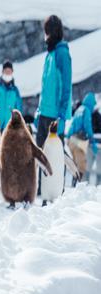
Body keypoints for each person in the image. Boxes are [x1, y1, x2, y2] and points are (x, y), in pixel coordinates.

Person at [36, 15, 72, 148]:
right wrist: (39, 111)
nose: (45, 36)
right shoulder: (50, 55)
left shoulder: (62, 54)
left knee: (53, 163)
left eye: (46, 32)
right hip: (44, 115)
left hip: (55, 117)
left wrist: (62, 115)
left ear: (51, 32)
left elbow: (66, 86)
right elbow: (46, 87)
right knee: (40, 161)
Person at [67, 92, 98, 184]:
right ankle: (78, 187)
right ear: (91, 103)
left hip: (71, 140)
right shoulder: (86, 110)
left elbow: (72, 125)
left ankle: (74, 185)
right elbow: (87, 126)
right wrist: (92, 142)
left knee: (75, 165)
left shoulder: (79, 109)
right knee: (82, 166)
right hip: (78, 141)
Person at [0, 60, 22, 131]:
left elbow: (19, 108)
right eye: (6, 71)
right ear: (2, 72)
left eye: (9, 71)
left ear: (12, 72)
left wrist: (17, 122)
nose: (7, 73)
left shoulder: (15, 90)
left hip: (10, 126)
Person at [85, 98, 101, 185]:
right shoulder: (97, 115)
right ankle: (98, 187)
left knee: (88, 167)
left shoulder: (90, 115)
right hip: (97, 144)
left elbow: (88, 129)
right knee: (99, 169)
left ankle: (84, 186)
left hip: (92, 144)